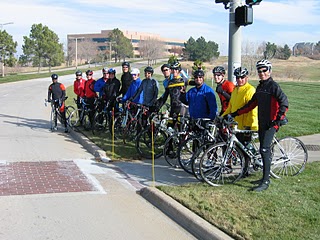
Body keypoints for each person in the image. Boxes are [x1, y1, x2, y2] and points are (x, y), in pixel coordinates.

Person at [228, 59, 289, 192]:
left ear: (269, 71)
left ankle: (266, 181)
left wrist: (278, 119)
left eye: (264, 70)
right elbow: (251, 104)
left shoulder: (273, 86)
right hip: (262, 122)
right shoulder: (261, 87)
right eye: (259, 71)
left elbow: (284, 102)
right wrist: (235, 113)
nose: (262, 73)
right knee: (262, 150)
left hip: (271, 123)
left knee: (264, 150)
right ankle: (264, 176)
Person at [222, 67, 258, 177]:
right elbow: (231, 107)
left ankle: (246, 171)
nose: (240, 80)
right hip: (236, 124)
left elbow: (252, 109)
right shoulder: (235, 90)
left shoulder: (250, 90)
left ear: (246, 78)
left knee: (245, 149)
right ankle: (244, 168)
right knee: (239, 148)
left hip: (246, 124)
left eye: (242, 77)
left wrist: (251, 125)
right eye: (238, 77)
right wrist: (222, 116)